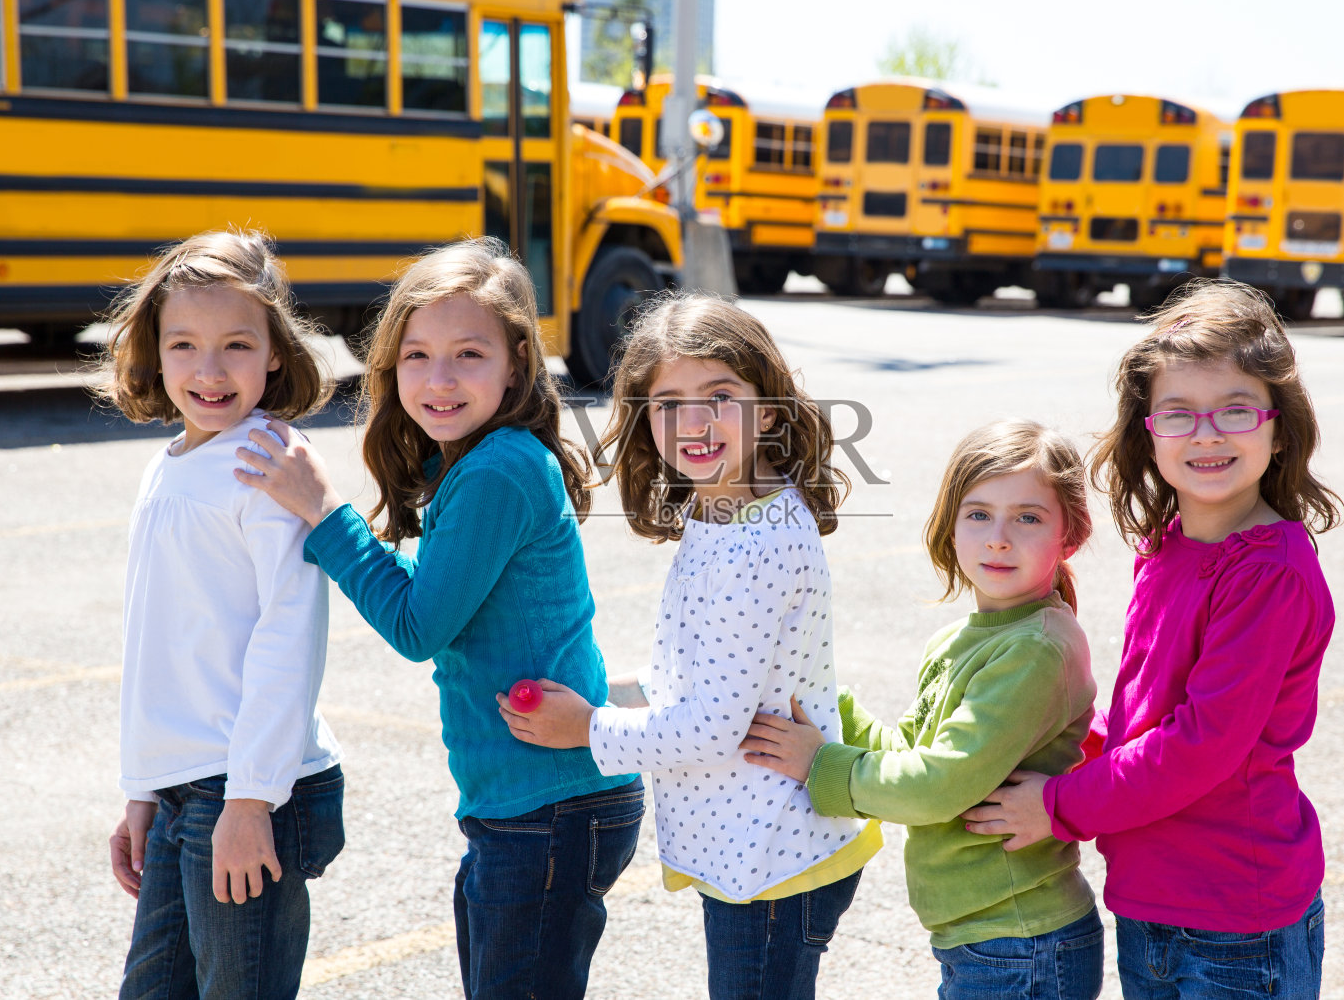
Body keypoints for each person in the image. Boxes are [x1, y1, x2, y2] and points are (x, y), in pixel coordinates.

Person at [234, 238, 643, 999]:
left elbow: (419, 626)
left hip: (548, 808)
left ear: (517, 362)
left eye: (468, 354)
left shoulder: (499, 470)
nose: (439, 378)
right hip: (530, 805)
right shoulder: (479, 461)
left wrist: (323, 511)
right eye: (417, 355)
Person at [962, 280, 1342, 999]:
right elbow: (1140, 713)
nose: (1207, 433)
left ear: (1279, 426)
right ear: (1148, 431)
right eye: (1179, 414)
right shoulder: (1167, 545)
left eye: (1235, 409)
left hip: (1236, 921)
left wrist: (1058, 803)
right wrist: (1039, 748)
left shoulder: (1269, 570)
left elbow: (1199, 743)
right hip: (1148, 901)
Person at [496, 295, 880, 1000]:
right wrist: (610, 690)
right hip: (757, 841)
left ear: (768, 410)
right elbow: (706, 675)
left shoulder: (754, 541)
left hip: (770, 855)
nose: (693, 422)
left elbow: (709, 726)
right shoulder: (729, 504)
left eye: (719, 395)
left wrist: (585, 727)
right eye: (668, 402)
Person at [740, 420, 1103, 1000]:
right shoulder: (962, 639)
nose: (999, 537)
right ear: (950, 525)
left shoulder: (1035, 649)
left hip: (1020, 942)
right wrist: (819, 697)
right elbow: (911, 754)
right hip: (985, 938)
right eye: (978, 513)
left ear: (1072, 532)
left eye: (1028, 517)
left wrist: (823, 765)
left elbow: (936, 787)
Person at [98, 229, 345, 1000]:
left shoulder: (267, 461)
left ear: (275, 351)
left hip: (248, 790)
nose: (208, 371)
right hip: (186, 787)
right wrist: (144, 785)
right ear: (155, 349)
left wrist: (248, 800)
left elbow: (289, 637)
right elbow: (162, 647)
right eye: (184, 345)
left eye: (237, 344)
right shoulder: (167, 463)